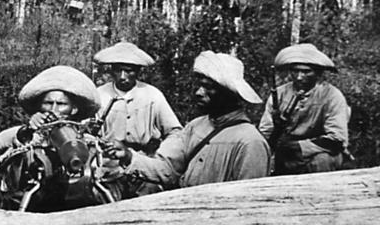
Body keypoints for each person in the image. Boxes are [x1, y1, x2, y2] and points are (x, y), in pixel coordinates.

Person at [106, 51, 270, 188]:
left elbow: (249, 202)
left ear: (229, 94)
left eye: (209, 87)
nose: (199, 92)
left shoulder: (250, 142)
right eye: (200, 85)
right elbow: (167, 169)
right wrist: (128, 156)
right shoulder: (195, 127)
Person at [0, 66, 110, 211]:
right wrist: (28, 130)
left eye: (61, 104)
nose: (53, 110)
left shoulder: (85, 139)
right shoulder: (30, 135)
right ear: (40, 106)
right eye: (48, 103)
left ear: (74, 109)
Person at [93, 42, 182, 198]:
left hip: (144, 165)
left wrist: (162, 158)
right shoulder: (99, 95)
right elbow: (85, 133)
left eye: (129, 71)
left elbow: (175, 131)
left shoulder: (152, 95)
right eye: (118, 70)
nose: (123, 77)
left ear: (138, 71)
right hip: (109, 169)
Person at [259, 43, 350, 174]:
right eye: (295, 71)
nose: (300, 76)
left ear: (318, 73)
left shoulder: (331, 96)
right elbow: (265, 132)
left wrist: (299, 147)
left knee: (322, 161)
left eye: (306, 71)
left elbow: (337, 139)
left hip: (318, 152)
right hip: (285, 154)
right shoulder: (279, 94)